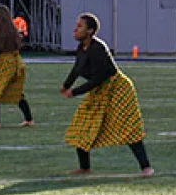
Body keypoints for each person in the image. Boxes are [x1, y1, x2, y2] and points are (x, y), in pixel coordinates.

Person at [60, 13, 153, 177]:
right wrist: (66, 85)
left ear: (90, 31)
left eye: (80, 26)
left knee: (128, 127)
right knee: (82, 125)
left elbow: (99, 78)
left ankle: (146, 167)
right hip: (100, 89)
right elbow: (77, 68)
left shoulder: (98, 48)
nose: (75, 29)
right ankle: (84, 167)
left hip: (117, 88)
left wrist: (74, 92)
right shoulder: (82, 47)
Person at [0, 5, 34, 129]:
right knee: (17, 92)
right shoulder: (13, 30)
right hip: (17, 62)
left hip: (6, 63)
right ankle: (29, 119)